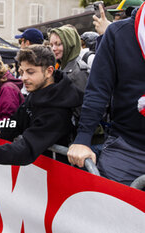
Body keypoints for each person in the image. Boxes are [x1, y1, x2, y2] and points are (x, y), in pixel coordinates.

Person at [67, 4, 145, 186]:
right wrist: (83, 139)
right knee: (109, 211)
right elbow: (98, 90)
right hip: (127, 150)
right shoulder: (119, 33)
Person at [0, 45, 83, 165]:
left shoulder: (58, 109)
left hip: (59, 172)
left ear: (49, 71)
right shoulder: (37, 92)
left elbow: (26, 149)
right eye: (21, 72)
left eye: (30, 72)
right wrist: (0, 130)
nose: (24, 78)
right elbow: (17, 120)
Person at [49, 26, 89, 92]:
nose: (53, 48)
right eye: (51, 45)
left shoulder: (79, 72)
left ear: (69, 44)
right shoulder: (61, 66)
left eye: (58, 44)